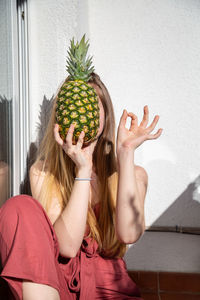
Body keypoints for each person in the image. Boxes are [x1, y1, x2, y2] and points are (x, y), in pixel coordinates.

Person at [0, 72, 162, 300]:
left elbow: (128, 233)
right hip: (58, 286)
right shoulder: (43, 172)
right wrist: (82, 171)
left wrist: (125, 155)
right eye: (76, 105)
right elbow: (67, 247)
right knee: (17, 206)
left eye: (92, 106)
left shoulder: (135, 175)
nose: (83, 113)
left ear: (105, 115)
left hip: (110, 292)